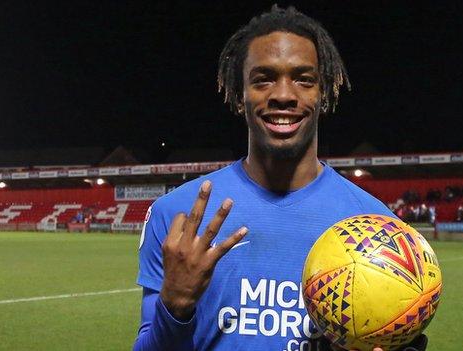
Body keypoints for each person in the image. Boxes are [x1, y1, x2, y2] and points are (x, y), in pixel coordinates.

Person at [134, 6, 428, 351]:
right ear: (239, 93)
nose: (284, 95)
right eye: (263, 79)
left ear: (325, 91)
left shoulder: (378, 228)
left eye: (304, 79)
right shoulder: (177, 215)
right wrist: (175, 306)